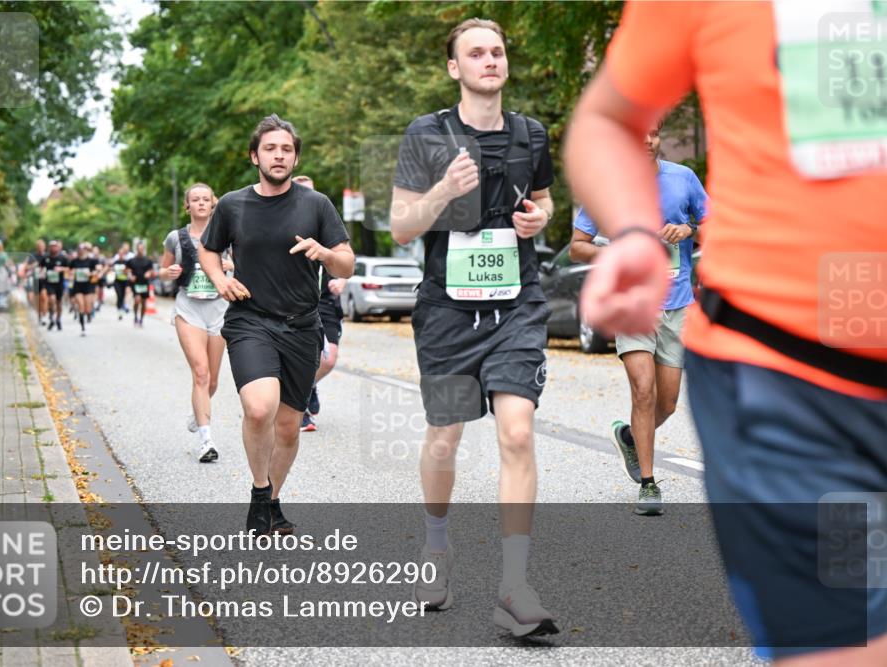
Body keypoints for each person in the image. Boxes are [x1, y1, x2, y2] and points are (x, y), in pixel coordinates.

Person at [564, 1, 886, 663]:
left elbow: (701, 218)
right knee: (854, 632)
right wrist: (627, 232)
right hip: (801, 390)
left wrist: (688, 230)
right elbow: (605, 121)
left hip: (713, 324)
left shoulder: (683, 179)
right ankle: (647, 472)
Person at [389, 19, 557, 637]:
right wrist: (441, 191)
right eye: (476, 53)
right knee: (445, 437)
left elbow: (543, 201)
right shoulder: (426, 134)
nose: (490, 60)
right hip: (449, 314)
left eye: (497, 51)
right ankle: (436, 547)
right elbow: (402, 225)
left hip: (517, 304)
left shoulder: (531, 134)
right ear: (454, 68)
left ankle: (515, 586)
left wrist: (539, 219)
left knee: (517, 432)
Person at [199, 115, 354, 536]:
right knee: (260, 407)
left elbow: (347, 262)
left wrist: (324, 252)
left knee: (287, 426)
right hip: (251, 320)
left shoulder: (315, 204)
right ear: (255, 156)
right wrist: (220, 279)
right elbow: (208, 250)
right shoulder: (232, 204)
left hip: (303, 326)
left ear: (295, 156)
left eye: (286, 149)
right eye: (271, 148)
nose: (279, 155)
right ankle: (259, 491)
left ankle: (272, 504)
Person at [569, 121, 708, 515]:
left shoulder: (683, 179)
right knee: (642, 389)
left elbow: (713, 227)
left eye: (653, 133)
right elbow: (578, 248)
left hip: (677, 304)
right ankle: (648, 484)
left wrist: (688, 229)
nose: (646, 141)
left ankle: (629, 437)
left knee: (665, 401)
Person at [159, 184, 231, 463]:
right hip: (188, 309)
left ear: (213, 204)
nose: (201, 203)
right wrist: (169, 272)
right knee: (200, 373)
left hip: (219, 310)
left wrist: (232, 267)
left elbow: (243, 265)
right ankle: (206, 440)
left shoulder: (227, 235)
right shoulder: (175, 238)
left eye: (205, 199)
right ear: (187, 206)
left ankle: (197, 412)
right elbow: (163, 272)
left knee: (212, 381)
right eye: (195, 200)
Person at [291, 175, 348, 433]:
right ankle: (299, 404)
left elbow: (346, 262)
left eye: (311, 191)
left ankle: (308, 385)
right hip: (292, 301)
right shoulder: (282, 220)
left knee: (329, 358)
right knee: (298, 360)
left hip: (324, 301)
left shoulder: (326, 220)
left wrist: (342, 283)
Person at [68, 242, 102, 336]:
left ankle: (89, 314)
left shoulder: (92, 261)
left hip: (88, 286)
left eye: (83, 249)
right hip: (78, 286)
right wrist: (71, 275)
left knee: (87, 309)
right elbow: (69, 272)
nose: (81, 251)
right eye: (79, 249)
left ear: (86, 250)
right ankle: (83, 328)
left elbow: (99, 270)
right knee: (81, 307)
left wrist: (91, 274)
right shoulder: (74, 261)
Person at [125, 241, 155, 328]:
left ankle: (141, 319)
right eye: (139, 248)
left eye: (142, 248)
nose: (140, 250)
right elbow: (126, 270)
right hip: (136, 283)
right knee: (137, 300)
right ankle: (135, 316)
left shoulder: (148, 260)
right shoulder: (131, 260)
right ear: (137, 249)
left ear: (144, 249)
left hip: (144, 283)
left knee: (143, 302)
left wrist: (149, 273)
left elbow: (152, 271)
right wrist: (130, 275)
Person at [43, 239, 69, 331]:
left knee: (59, 302)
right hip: (49, 283)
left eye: (55, 246)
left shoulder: (63, 258)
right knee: (51, 299)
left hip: (59, 283)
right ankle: (51, 317)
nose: (53, 248)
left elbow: (69, 269)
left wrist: (61, 269)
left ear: (58, 247)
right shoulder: (46, 257)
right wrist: (42, 273)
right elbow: (40, 267)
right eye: (51, 246)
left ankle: (58, 319)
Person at [20, 238, 47, 325]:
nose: (41, 248)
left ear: (44, 247)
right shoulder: (32, 256)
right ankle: (40, 316)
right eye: (39, 246)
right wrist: (33, 265)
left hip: (45, 279)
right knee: (37, 299)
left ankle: (44, 314)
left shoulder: (47, 256)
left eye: (42, 246)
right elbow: (25, 267)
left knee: (44, 297)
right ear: (37, 247)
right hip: (35, 279)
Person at [109, 243, 132, 320]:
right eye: (120, 254)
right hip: (117, 281)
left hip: (126, 281)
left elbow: (130, 271)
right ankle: (119, 311)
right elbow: (109, 268)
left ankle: (125, 306)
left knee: (126, 294)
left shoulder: (127, 262)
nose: (121, 255)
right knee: (119, 296)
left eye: (122, 254)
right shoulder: (115, 262)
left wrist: (127, 272)